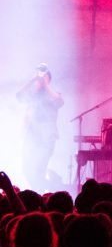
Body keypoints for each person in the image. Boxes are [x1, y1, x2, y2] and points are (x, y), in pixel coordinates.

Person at [17, 63, 64, 192]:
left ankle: (39, 194)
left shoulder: (52, 95)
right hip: (31, 137)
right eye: (39, 78)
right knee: (26, 169)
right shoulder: (32, 95)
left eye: (43, 78)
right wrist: (32, 79)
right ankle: (45, 188)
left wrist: (46, 84)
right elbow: (19, 96)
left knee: (39, 169)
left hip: (46, 139)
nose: (40, 80)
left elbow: (60, 102)